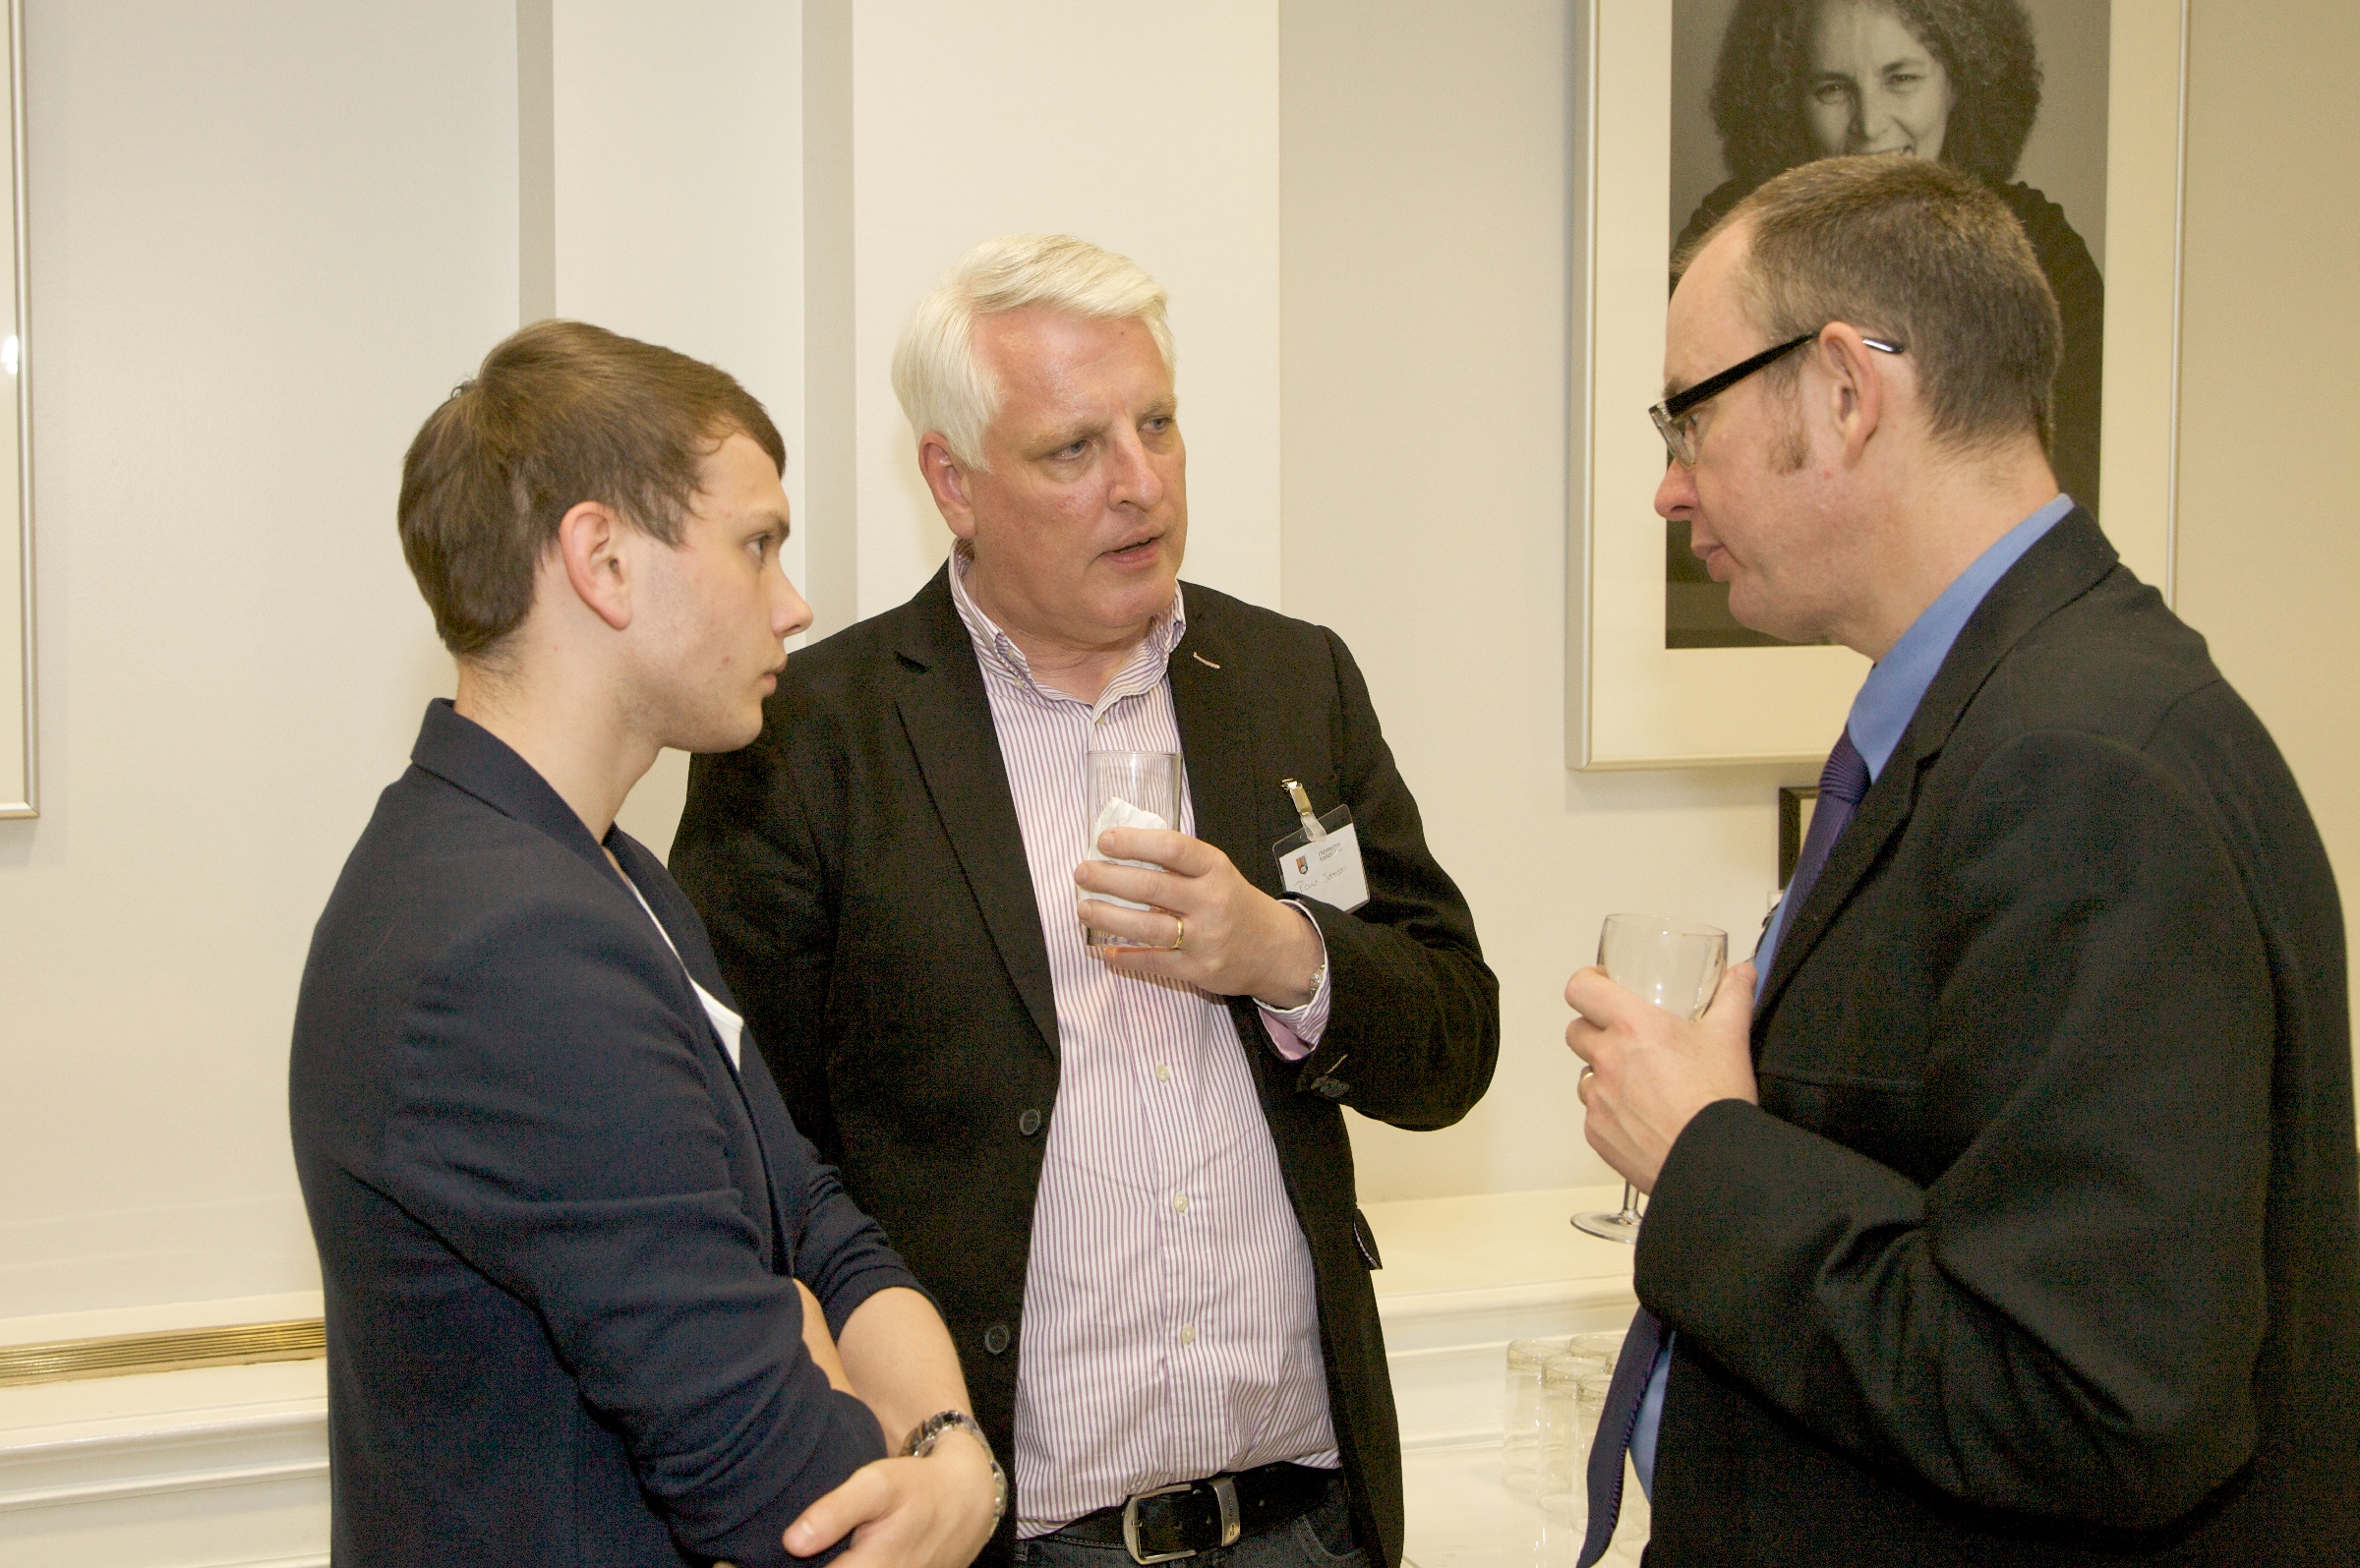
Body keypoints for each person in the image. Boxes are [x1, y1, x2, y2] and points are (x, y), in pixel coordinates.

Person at [1567, 155, 2359, 1565]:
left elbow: (2092, 1395)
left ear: (1843, 390)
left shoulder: (2085, 769)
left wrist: (1705, 1156)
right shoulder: (2015, 712)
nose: (1670, 488)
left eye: (1690, 417)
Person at [671, 235, 1500, 1568]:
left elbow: (1455, 1041)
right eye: (1074, 448)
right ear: (953, 481)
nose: (1141, 482)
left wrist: (1286, 953)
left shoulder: (1293, 680)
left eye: (1157, 424)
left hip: (1306, 1519)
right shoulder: (809, 736)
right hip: (1007, 1533)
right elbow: (743, 1160)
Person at [289, 320, 1002, 1568]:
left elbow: (812, 1219)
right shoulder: (513, 946)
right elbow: (788, 1490)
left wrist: (943, 1438)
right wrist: (868, 1403)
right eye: (757, 543)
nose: (794, 602)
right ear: (604, 561)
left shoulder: (609, 875)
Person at [1679, 0, 2103, 516]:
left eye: (1901, 79)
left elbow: (2077, 477)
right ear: (1788, 98)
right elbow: (1685, 462)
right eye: (1832, 89)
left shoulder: (2043, 250)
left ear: (1960, 83)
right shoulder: (1731, 239)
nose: (1870, 126)